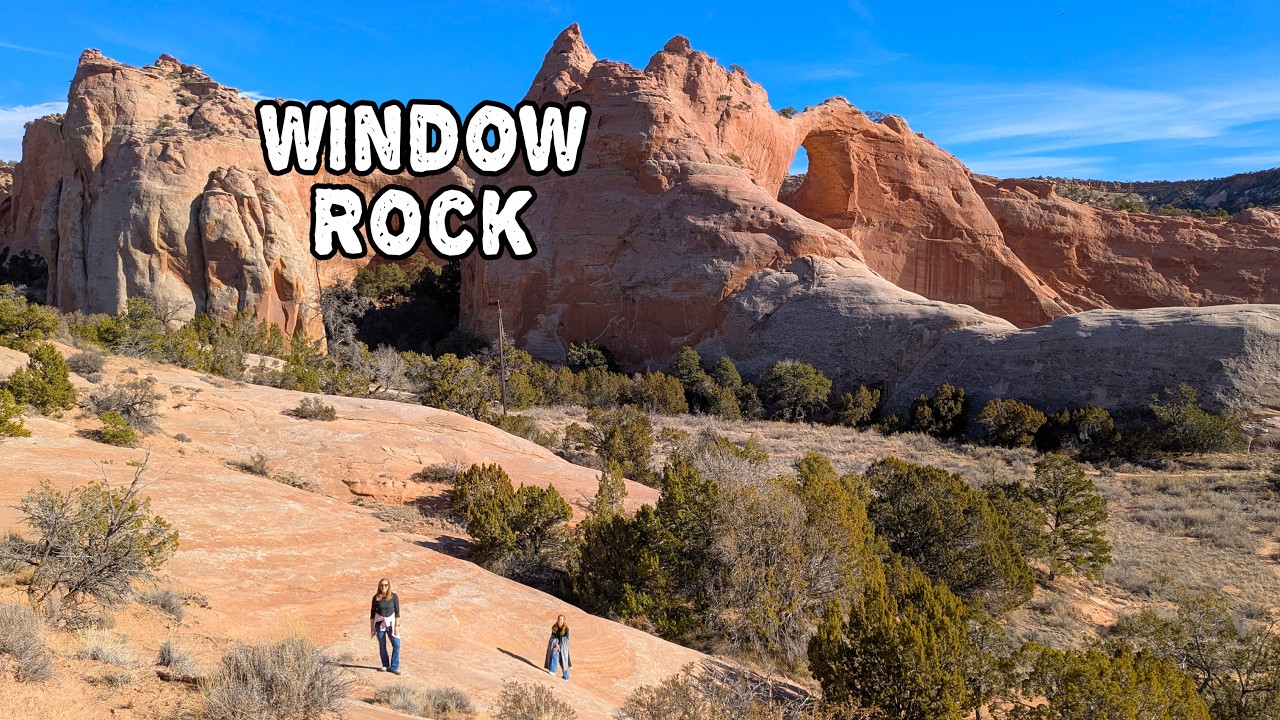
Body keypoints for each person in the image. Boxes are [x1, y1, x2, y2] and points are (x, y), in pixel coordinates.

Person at [370, 578, 401, 675]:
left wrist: (397, 626)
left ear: (389, 586)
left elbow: (397, 612)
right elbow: (372, 613)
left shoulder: (394, 596)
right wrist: (372, 628)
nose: (383, 587)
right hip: (380, 624)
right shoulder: (376, 598)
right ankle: (385, 665)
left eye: (386, 585)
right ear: (379, 586)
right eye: (382, 585)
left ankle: (394, 667)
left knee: (396, 645)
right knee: (382, 645)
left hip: (391, 624)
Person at [544, 614, 571, 680]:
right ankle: (553, 671)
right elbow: (553, 637)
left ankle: (566, 676)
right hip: (556, 644)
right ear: (557, 619)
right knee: (554, 653)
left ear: (564, 621)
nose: (560, 621)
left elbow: (565, 639)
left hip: (563, 646)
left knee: (563, 660)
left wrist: (559, 645)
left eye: (562, 620)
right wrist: (556, 644)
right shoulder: (554, 627)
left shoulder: (566, 628)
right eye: (559, 619)